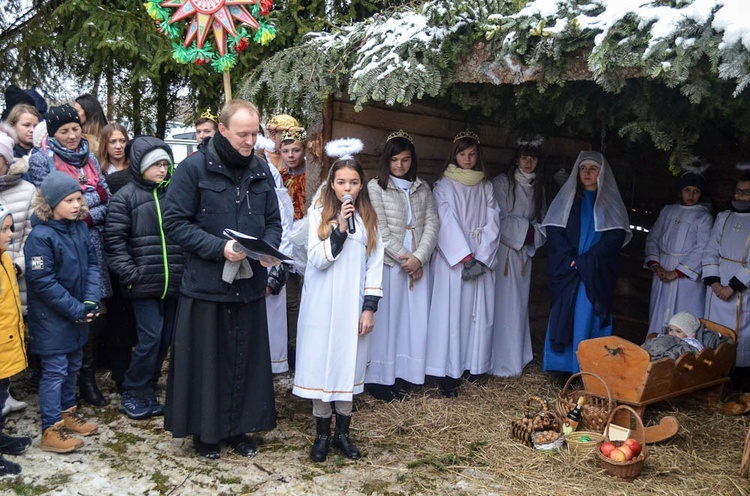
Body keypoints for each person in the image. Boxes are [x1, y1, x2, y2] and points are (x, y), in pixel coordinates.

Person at [162, 99, 281, 459]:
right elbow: (174, 223)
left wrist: (268, 250)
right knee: (208, 364)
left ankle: (240, 429)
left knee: (245, 360)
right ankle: (207, 433)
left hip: (248, 287)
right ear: (223, 131)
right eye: (243, 134)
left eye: (254, 133)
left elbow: (274, 221)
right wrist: (219, 248)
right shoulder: (194, 169)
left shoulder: (261, 171)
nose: (250, 140)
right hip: (207, 285)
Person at [293, 138, 383, 462]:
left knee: (346, 366)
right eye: (342, 181)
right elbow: (318, 260)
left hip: (351, 306)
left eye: (354, 182)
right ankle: (320, 435)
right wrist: (340, 229)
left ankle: (342, 434)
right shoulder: (319, 213)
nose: (348, 187)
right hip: (321, 305)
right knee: (322, 364)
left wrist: (369, 308)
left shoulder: (370, 219)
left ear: (361, 185)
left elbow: (375, 266)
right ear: (332, 183)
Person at [28, 103, 112, 407]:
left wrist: (84, 210)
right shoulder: (42, 159)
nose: (73, 135)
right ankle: (61, 392)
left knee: (94, 305)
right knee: (65, 304)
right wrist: (87, 202)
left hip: (89, 239)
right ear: (53, 133)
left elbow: (106, 196)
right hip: (60, 239)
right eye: (64, 131)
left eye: (76, 128)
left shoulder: (89, 155)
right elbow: (51, 197)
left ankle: (86, 377)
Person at [105, 136, 184, 420]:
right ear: (140, 166)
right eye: (156, 165)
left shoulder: (175, 195)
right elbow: (114, 242)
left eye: (166, 164)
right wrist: (131, 275)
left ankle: (148, 386)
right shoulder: (125, 197)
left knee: (164, 340)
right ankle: (133, 390)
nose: (162, 170)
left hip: (173, 281)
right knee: (149, 339)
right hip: (143, 284)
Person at [25, 171, 101, 453]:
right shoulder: (40, 236)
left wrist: (91, 301)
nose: (75, 205)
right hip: (52, 319)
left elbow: (93, 265)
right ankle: (51, 427)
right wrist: (75, 309)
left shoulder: (80, 228)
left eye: (78, 198)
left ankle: (67, 412)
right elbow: (42, 281)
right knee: (55, 370)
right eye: (68, 200)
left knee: (73, 364)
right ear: (51, 204)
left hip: (78, 314)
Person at [425, 130, 501, 397]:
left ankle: (474, 365)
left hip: (480, 257)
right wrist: (466, 258)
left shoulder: (486, 186)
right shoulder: (444, 185)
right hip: (455, 261)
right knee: (453, 316)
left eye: (472, 154)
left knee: (478, 315)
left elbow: (494, 220)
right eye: (462, 153)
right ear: (454, 155)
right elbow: (445, 221)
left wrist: (481, 256)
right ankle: (449, 373)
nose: (467, 159)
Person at [541, 151, 631, 375]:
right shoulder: (569, 200)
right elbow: (554, 230)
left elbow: (615, 236)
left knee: (587, 314)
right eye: (583, 169)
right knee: (566, 314)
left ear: (602, 173)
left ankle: (590, 369)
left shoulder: (610, 204)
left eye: (593, 169)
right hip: (570, 270)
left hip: (594, 271)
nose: (587, 173)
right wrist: (572, 259)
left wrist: (587, 261)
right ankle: (562, 367)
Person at [364, 130, 437, 400]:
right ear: (387, 160)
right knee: (389, 320)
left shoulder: (422, 187)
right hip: (391, 263)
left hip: (417, 260)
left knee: (413, 320)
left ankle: (406, 374)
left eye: (405, 160)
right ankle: (380, 379)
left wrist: (421, 257)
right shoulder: (376, 186)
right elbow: (380, 228)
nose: (399, 166)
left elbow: (432, 223)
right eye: (394, 160)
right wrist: (407, 259)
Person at [490, 137, 547, 377]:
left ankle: (515, 359)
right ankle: (497, 361)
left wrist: (533, 233)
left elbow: (542, 222)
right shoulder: (502, 183)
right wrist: (527, 230)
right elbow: (498, 218)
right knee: (501, 305)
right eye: (524, 157)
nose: (528, 162)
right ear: (516, 158)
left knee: (518, 307)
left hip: (524, 255)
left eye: (533, 158)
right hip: (503, 253)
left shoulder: (539, 189)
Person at [645, 171, 712, 335]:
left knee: (685, 315)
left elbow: (702, 248)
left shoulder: (704, 217)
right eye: (687, 190)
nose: (691, 195)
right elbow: (653, 237)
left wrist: (676, 273)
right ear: (680, 191)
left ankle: (684, 352)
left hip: (686, 277)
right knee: (659, 313)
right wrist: (657, 266)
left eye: (696, 191)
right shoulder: (668, 211)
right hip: (663, 269)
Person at [703, 172, 750, 390]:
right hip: (717, 286)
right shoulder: (723, 217)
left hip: (741, 290)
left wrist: (732, 287)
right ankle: (712, 376)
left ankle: (737, 380)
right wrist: (714, 283)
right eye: (738, 191)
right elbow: (711, 249)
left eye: (746, 192)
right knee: (714, 331)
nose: (741, 196)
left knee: (741, 334)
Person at [0, 125, 34, 415]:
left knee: (10, 331)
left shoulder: (27, 190)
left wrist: (17, 265)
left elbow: (30, 235)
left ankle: (6, 392)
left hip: (14, 273)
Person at [0, 205, 31, 474]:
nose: (11, 234)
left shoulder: (5, 261)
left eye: (11, 227)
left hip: (6, 345)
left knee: (0, 397)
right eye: (5, 229)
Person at [277, 127, 307, 366]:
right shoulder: (281, 176)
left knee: (308, 296)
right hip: (287, 242)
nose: (290, 155)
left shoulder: (312, 176)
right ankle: (292, 344)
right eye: (286, 150)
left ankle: (306, 343)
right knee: (290, 299)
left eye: (295, 150)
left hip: (307, 241)